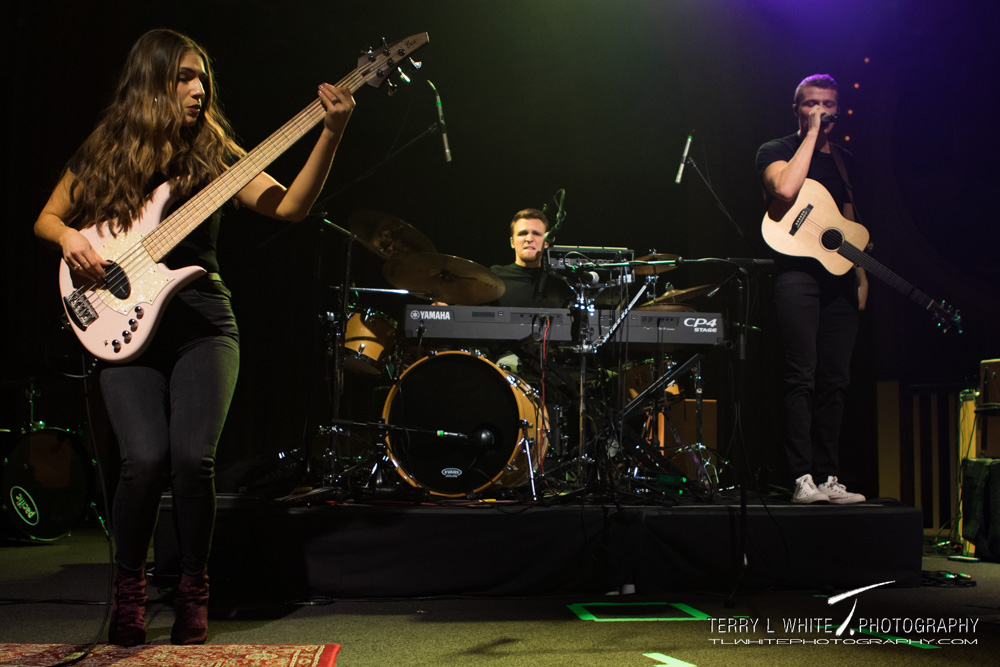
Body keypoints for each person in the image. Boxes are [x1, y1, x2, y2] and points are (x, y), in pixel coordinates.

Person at [33, 29, 355, 645]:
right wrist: (70, 238)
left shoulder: (214, 152)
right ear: (152, 80)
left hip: (203, 323)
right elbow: (48, 217)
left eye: (202, 77)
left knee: (191, 460)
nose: (198, 88)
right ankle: (129, 590)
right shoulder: (106, 147)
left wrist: (331, 133)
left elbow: (289, 210)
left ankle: (193, 589)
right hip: (122, 327)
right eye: (184, 76)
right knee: (144, 461)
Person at [756, 73, 867, 505]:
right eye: (811, 104)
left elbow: (851, 227)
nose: (822, 111)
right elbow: (785, 187)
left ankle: (829, 476)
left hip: (839, 279)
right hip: (795, 277)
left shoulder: (845, 162)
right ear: (796, 108)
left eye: (829, 105)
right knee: (800, 376)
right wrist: (812, 135)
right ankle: (801, 476)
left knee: (835, 380)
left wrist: (861, 276)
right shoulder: (776, 151)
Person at [490, 208, 574, 308]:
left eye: (536, 234)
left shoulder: (562, 282)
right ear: (512, 242)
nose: (529, 239)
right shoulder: (494, 277)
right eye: (523, 233)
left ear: (546, 242)